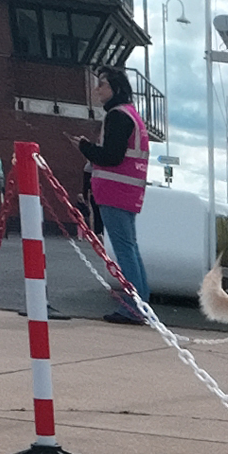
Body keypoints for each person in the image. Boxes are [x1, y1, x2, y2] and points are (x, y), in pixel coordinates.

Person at [66, 67, 151, 325]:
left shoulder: (117, 116)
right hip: (129, 191)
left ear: (114, 88)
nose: (97, 89)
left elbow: (111, 157)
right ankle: (140, 301)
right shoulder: (132, 116)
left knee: (125, 249)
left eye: (101, 84)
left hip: (115, 191)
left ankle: (134, 307)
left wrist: (84, 147)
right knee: (130, 248)